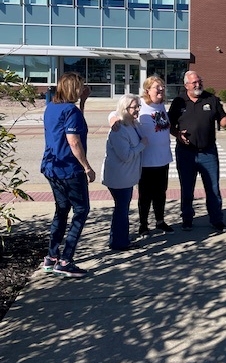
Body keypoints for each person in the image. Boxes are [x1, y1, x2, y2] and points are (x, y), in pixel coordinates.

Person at [41, 72, 95, 278]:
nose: (83, 88)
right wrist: (87, 167)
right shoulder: (70, 111)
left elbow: (74, 125)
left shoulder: (51, 108)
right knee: (81, 210)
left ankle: (52, 256)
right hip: (69, 169)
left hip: (52, 166)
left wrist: (83, 103)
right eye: (80, 86)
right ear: (74, 88)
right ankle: (66, 260)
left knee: (62, 210)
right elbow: (74, 141)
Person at [168, 71, 226, 232]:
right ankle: (187, 219)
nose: (198, 84)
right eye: (194, 83)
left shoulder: (211, 99)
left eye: (200, 81)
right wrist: (177, 134)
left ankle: (217, 220)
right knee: (187, 188)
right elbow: (169, 125)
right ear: (186, 86)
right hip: (185, 153)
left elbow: (222, 119)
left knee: (212, 188)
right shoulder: (178, 102)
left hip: (208, 153)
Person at [109, 75, 173, 236]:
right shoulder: (141, 105)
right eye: (157, 87)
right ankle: (143, 225)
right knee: (145, 195)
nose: (161, 89)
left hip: (163, 159)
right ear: (147, 90)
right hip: (146, 161)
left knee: (161, 193)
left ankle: (160, 221)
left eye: (162, 86)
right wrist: (113, 119)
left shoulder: (162, 107)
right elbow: (117, 111)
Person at [102, 94, 147, 251]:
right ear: (125, 108)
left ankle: (120, 237)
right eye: (134, 107)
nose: (137, 110)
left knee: (122, 209)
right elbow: (126, 156)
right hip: (119, 178)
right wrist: (142, 145)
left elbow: (113, 114)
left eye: (138, 106)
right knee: (122, 210)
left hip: (126, 177)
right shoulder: (119, 129)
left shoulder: (131, 124)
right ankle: (119, 242)